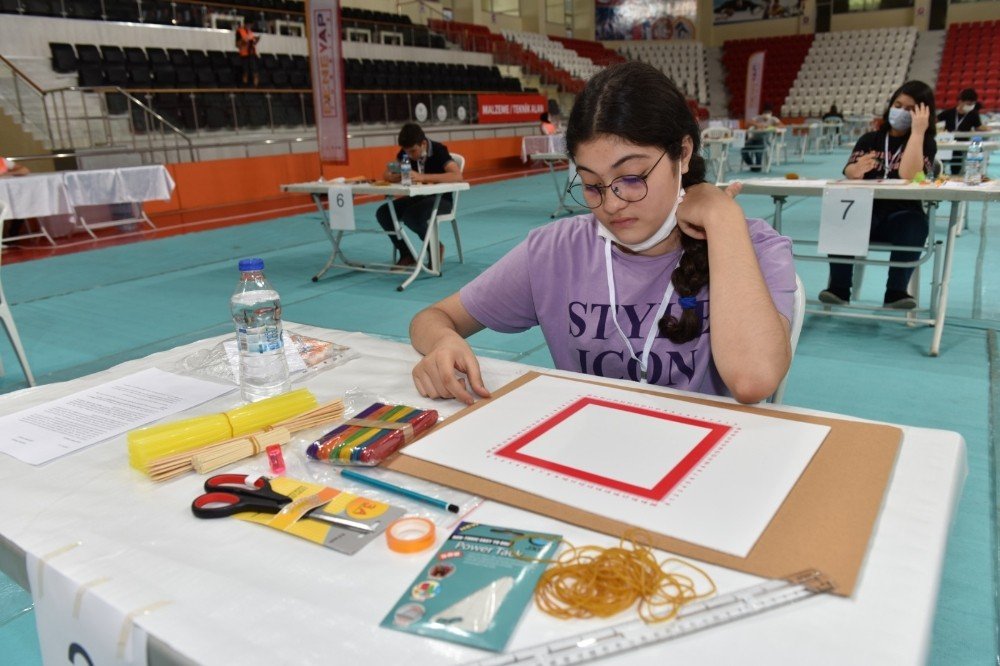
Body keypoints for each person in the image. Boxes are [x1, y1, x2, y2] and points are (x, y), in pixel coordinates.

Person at [408, 61, 796, 406]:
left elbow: (753, 380)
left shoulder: (751, 247)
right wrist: (443, 341)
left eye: (631, 178)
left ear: (683, 153)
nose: (611, 205)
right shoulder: (556, 251)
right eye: (592, 185)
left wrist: (723, 218)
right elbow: (433, 317)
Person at [819, 80, 937, 310]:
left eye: (910, 109)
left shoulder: (926, 143)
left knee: (915, 224)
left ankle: (896, 292)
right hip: (865, 211)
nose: (901, 111)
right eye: (898, 104)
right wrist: (856, 170)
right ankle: (839, 288)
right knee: (840, 214)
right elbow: (849, 171)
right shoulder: (869, 139)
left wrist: (918, 133)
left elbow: (910, 174)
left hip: (902, 215)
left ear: (923, 113)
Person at [377, 123, 462, 269]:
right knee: (384, 213)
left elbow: (457, 175)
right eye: (406, 152)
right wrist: (393, 177)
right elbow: (386, 173)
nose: (409, 155)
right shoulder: (405, 153)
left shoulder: (439, 150)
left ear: (423, 144)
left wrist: (423, 177)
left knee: (412, 216)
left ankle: (434, 247)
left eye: (412, 151)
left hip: (441, 200)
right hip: (417, 198)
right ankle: (406, 254)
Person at [937, 88, 989, 175]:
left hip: (962, 144)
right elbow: (935, 120)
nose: (971, 106)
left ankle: (955, 175)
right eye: (968, 104)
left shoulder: (973, 114)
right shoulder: (949, 112)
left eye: (973, 104)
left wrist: (988, 128)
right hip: (947, 143)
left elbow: (978, 127)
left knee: (956, 164)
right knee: (941, 161)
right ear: (960, 101)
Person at [742, 103, 783, 171]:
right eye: (765, 112)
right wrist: (757, 125)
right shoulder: (758, 118)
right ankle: (752, 165)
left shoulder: (774, 119)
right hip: (753, 138)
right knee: (743, 150)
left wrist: (771, 127)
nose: (766, 114)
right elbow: (748, 122)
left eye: (767, 112)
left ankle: (758, 166)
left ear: (771, 113)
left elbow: (782, 126)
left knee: (759, 148)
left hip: (764, 140)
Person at [235, 20, 260, 87]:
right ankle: (245, 88)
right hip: (244, 55)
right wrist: (244, 40)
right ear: (246, 24)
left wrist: (256, 41)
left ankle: (255, 88)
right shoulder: (239, 31)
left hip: (252, 54)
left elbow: (253, 43)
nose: (250, 26)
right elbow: (237, 44)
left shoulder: (250, 32)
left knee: (255, 72)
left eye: (251, 25)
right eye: (249, 24)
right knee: (245, 72)